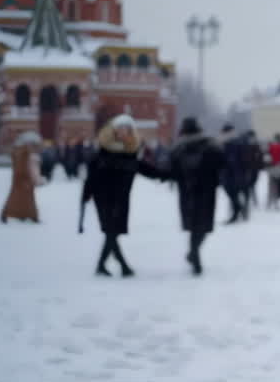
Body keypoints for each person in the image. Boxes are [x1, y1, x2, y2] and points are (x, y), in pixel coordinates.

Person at [80, 114, 165, 277]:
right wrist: (86, 195)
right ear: (113, 131)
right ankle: (123, 266)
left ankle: (103, 265)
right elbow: (91, 177)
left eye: (127, 129)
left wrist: (169, 174)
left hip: (121, 198)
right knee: (111, 231)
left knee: (113, 232)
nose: (123, 132)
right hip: (103, 197)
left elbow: (147, 170)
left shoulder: (130, 153)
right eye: (120, 129)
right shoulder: (101, 153)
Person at [169, 117, 227, 276]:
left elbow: (172, 171)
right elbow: (222, 163)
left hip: (187, 192)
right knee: (203, 227)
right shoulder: (211, 146)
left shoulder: (178, 149)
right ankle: (195, 257)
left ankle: (193, 255)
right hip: (207, 192)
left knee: (194, 226)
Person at [0, 131, 44, 222]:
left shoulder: (19, 151)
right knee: (21, 200)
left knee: (21, 200)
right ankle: (29, 216)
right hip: (22, 179)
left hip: (20, 179)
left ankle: (27, 215)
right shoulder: (23, 152)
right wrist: (26, 178)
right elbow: (21, 167)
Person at [220, 124, 250, 224]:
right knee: (233, 196)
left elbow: (241, 160)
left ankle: (237, 213)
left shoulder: (236, 143)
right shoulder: (226, 143)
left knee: (234, 195)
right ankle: (238, 212)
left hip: (235, 175)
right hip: (229, 175)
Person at [266, 133, 280, 211]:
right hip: (277, 167)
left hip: (275, 167)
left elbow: (269, 157)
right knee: (274, 186)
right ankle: (273, 202)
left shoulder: (274, 147)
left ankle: (271, 202)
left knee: (272, 186)